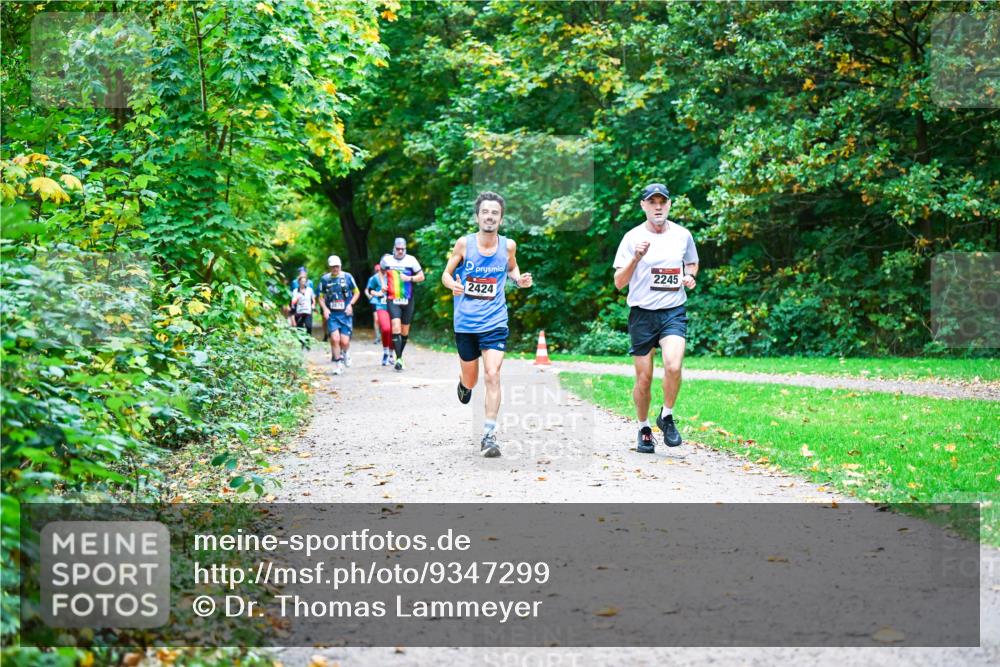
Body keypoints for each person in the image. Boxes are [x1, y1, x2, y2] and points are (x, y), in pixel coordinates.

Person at [442, 191, 533, 457]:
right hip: (466, 324)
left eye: (495, 213)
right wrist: (453, 285)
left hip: (495, 321)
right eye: (485, 212)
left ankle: (489, 434)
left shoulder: (508, 246)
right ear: (478, 216)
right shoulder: (463, 244)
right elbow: (446, 275)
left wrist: (519, 279)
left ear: (501, 218)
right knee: (472, 380)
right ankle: (463, 383)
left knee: (493, 374)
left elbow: (512, 268)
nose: (490, 216)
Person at [613, 183, 699, 454]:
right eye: (652, 202)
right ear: (644, 206)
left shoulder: (683, 235)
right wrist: (636, 258)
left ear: (670, 204)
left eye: (662, 201)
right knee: (645, 379)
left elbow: (692, 262)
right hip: (642, 314)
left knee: (673, 366)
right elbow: (618, 282)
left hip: (673, 311)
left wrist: (690, 275)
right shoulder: (631, 238)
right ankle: (643, 428)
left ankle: (667, 415)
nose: (658, 206)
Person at [380, 237, 425, 371]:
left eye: (402, 249)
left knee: (405, 331)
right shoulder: (387, 260)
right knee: (395, 327)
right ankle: (398, 359)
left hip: (407, 299)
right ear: (394, 248)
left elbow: (422, 276)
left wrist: (409, 278)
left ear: (405, 249)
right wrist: (383, 284)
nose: (400, 251)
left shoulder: (411, 260)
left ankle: (400, 355)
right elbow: (380, 271)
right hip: (392, 298)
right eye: (398, 249)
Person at [318, 255, 360, 375]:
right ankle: (338, 364)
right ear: (329, 267)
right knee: (335, 339)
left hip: (345, 313)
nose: (335, 269)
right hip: (332, 314)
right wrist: (325, 309)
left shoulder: (348, 277)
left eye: (337, 266)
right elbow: (320, 297)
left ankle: (346, 353)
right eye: (332, 267)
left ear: (340, 266)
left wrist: (350, 304)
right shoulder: (325, 279)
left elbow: (356, 292)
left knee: (344, 342)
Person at [365, 263, 394, 365]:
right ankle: (385, 351)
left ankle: (391, 354)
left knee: (393, 331)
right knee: (386, 329)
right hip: (381, 305)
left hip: (394, 306)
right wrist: (378, 294)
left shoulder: (395, 275)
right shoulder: (375, 278)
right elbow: (369, 290)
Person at [290, 275, 315, 347]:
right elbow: (293, 302)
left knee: (309, 326)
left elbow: (313, 299)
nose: (303, 283)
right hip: (299, 311)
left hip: (308, 311)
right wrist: (295, 300)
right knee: (299, 327)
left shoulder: (310, 290)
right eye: (301, 281)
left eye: (304, 281)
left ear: (306, 282)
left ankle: (308, 339)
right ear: (299, 282)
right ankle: (301, 341)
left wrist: (313, 305)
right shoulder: (295, 291)